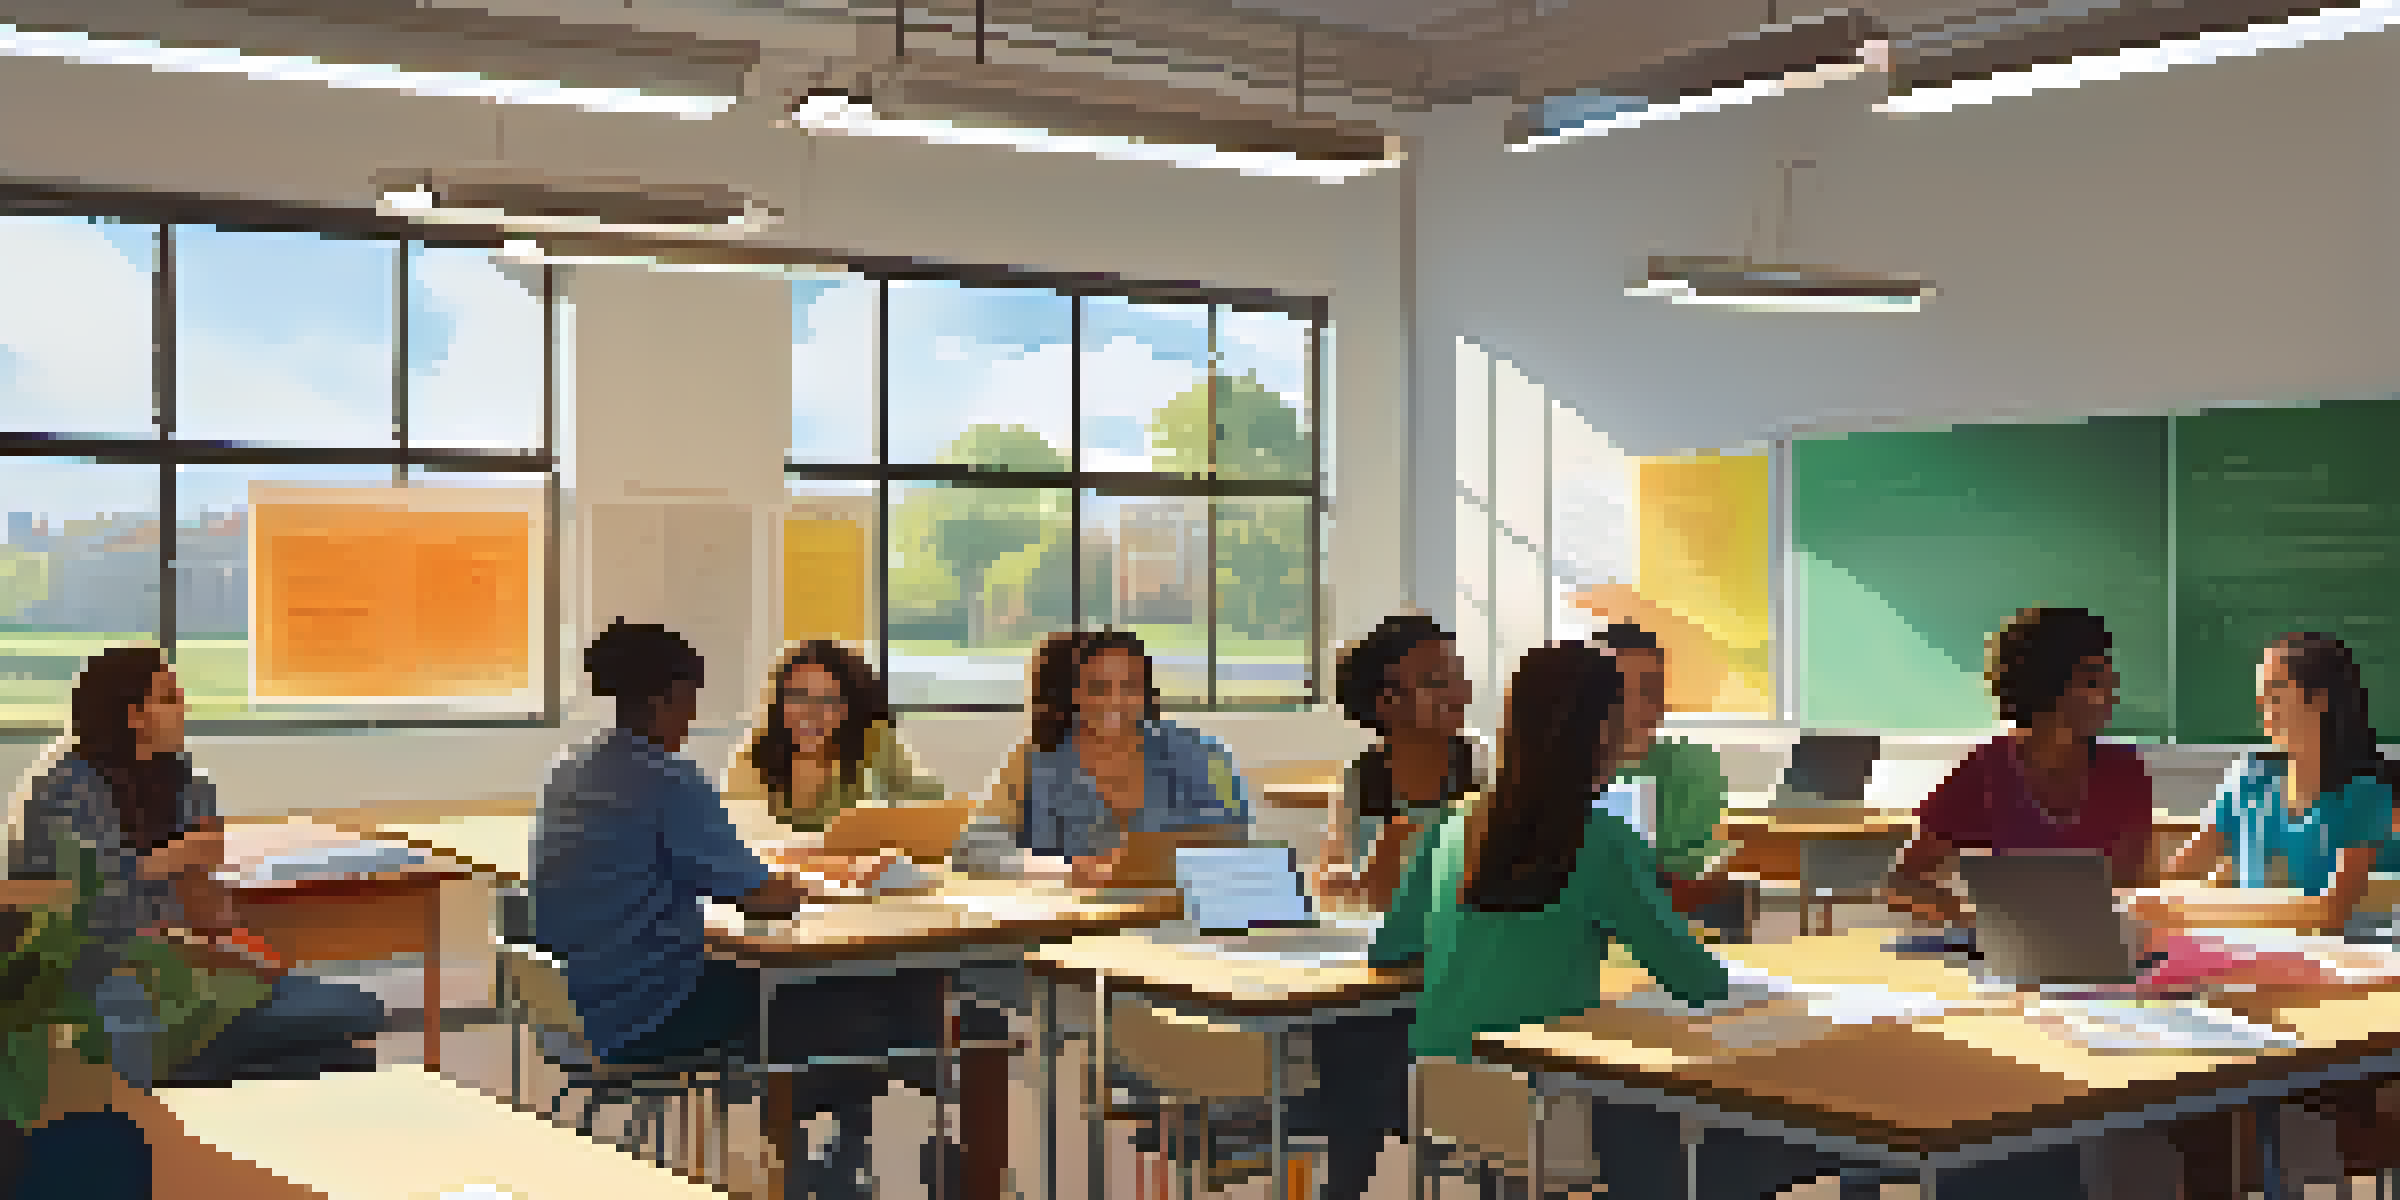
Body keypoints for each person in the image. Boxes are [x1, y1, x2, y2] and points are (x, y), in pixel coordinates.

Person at [531, 620, 905, 1200]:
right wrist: (819, 883)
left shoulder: (569, 769)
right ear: (666, 697)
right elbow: (761, 898)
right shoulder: (668, 777)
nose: (690, 718)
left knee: (800, 999)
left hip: (573, 1000)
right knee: (846, 1007)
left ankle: (815, 1159)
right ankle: (820, 1171)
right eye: (689, 702)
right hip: (648, 1008)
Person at [5, 646, 386, 1089]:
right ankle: (189, 1072)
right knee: (329, 1041)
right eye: (167, 697)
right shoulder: (68, 788)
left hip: (182, 971)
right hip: (99, 971)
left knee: (357, 1018)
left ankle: (201, 1068)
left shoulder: (184, 785)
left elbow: (207, 915)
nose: (182, 707)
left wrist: (221, 924)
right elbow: (88, 913)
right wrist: (166, 862)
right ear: (132, 715)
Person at [2156, 632, 2400, 1191]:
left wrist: (2223, 907)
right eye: (2261, 695)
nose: (2262, 708)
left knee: (2316, 1122)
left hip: (2326, 986)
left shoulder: (2365, 791)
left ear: (2319, 699)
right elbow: (2181, 870)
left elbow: (2332, 914)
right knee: (2203, 1114)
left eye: (2274, 693)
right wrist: (2161, 898)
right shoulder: (2250, 776)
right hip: (2236, 975)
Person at [1885, 607, 2157, 928]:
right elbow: (1902, 883)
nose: (2111, 694)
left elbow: (2130, 888)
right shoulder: (1987, 771)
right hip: (2013, 959)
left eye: (2112, 678)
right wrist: (1985, 921)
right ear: (2049, 685)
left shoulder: (2124, 773)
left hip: (2099, 952)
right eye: (2094, 680)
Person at [954, 628, 1248, 880]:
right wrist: (1064, 869)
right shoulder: (1035, 756)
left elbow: (1235, 841)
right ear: (1074, 693)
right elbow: (975, 848)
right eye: (1099, 687)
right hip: (1066, 920)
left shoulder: (1201, 753)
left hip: (1175, 916)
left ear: (1146, 692)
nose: (1115, 700)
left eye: (1130, 686)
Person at [1319, 614, 1483, 909]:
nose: (1461, 694)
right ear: (1385, 701)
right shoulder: (1362, 778)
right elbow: (1332, 883)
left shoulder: (1485, 771)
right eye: (1438, 682)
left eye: (1460, 676)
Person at [1599, 623, 1750, 938]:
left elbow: (1686, 878)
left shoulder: (1694, 764)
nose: (1645, 707)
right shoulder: (1563, 765)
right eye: (1626, 692)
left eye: (1653, 691)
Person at [721, 640, 948, 843]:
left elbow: (932, 807)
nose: (810, 712)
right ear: (780, 702)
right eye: (798, 697)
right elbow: (737, 831)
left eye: (827, 700)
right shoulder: (756, 752)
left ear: (848, 707)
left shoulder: (873, 741)